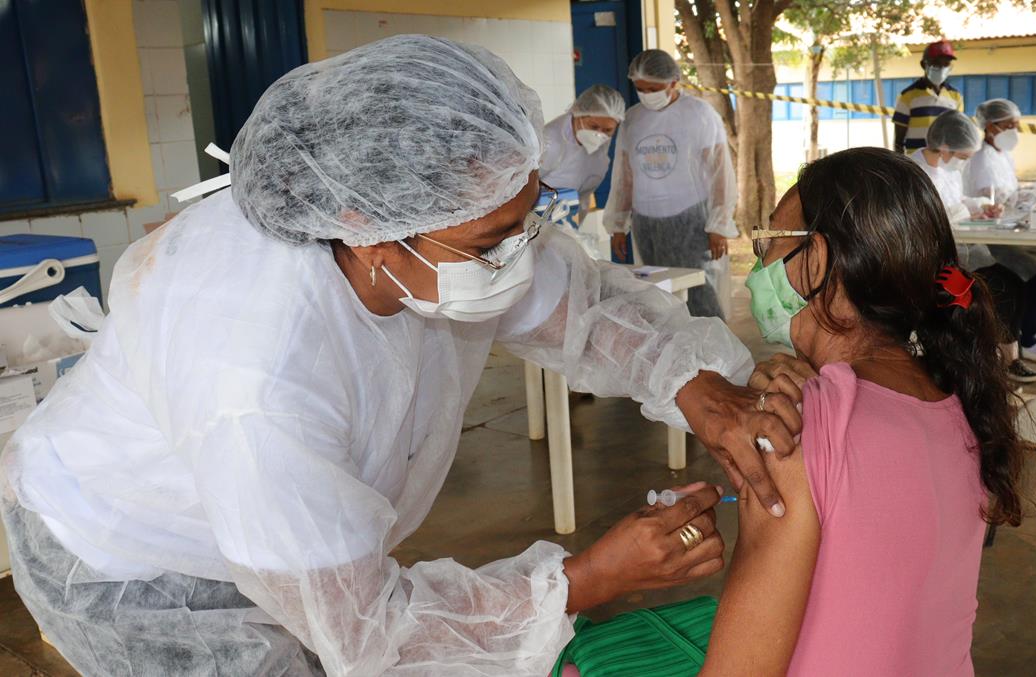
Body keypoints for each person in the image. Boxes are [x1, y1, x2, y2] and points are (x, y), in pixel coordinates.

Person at [0, 36, 804, 677]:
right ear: (366, 223)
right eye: (496, 239)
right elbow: (371, 631)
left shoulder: (426, 235)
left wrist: (702, 388)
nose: (524, 254)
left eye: (534, 217)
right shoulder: (257, 373)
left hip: (269, 516)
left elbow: (583, 312)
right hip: (136, 564)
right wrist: (590, 577)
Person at [702, 147, 1027, 675]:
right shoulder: (957, 403)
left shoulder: (797, 428)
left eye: (769, 244)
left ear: (816, 258)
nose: (758, 268)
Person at [605, 48, 737, 319]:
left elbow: (720, 172)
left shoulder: (699, 114)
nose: (647, 95)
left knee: (699, 294)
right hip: (645, 221)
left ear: (674, 81)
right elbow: (624, 176)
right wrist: (618, 224)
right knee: (658, 294)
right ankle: (675, 356)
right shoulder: (632, 119)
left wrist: (719, 224)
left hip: (690, 219)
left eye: (654, 88)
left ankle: (715, 357)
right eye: (640, 89)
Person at [912, 111, 1036, 383]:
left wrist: (982, 207)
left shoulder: (947, 169)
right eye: (962, 157)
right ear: (946, 147)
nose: (963, 164)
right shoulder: (916, 173)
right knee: (1000, 288)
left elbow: (959, 200)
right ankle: (988, 361)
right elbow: (927, 221)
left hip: (967, 249)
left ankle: (1008, 359)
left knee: (1014, 281)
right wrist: (961, 213)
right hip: (937, 259)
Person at [964, 98, 1036, 365]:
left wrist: (1033, 190)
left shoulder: (1003, 156)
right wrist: (1027, 195)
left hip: (1005, 227)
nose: (1015, 131)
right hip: (988, 238)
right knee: (1034, 274)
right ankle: (1027, 340)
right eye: (1010, 126)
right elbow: (994, 198)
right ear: (992, 127)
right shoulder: (982, 158)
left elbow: (1011, 194)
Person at [539, 84, 625, 223]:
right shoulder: (550, 142)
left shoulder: (601, 155)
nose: (599, 134)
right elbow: (518, 188)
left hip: (563, 223)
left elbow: (584, 196)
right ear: (578, 113)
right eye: (593, 126)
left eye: (608, 130)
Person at [893, 40, 964, 154]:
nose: (941, 68)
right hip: (916, 163)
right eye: (936, 63)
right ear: (923, 64)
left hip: (944, 163)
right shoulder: (908, 96)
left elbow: (956, 131)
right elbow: (898, 140)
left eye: (946, 64)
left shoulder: (956, 96)